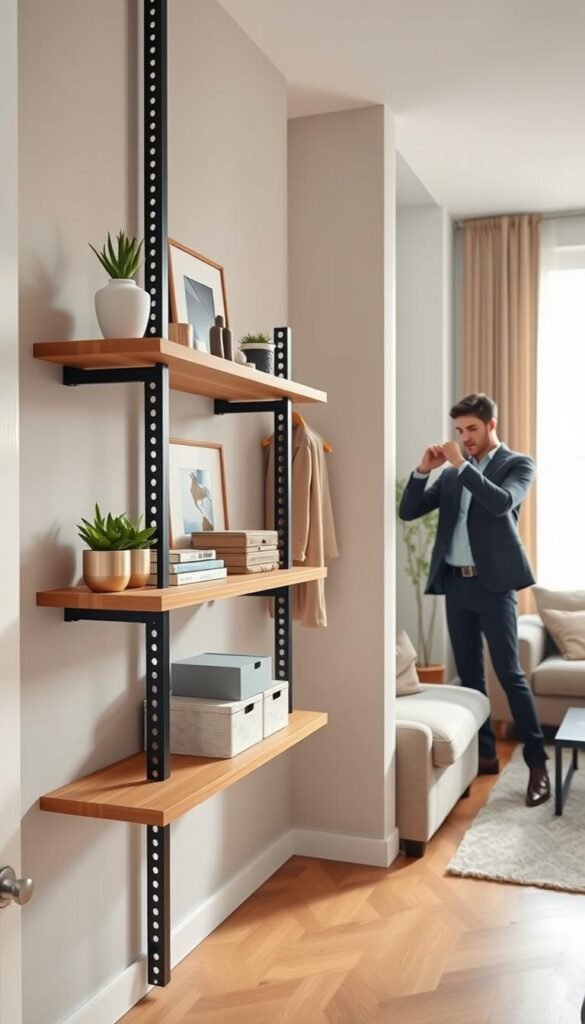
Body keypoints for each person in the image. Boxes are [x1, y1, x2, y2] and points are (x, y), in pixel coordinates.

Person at [399, 393, 550, 807]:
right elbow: (409, 511)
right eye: (460, 431)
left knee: (509, 674)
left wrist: (462, 466)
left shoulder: (517, 464)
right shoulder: (449, 476)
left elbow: (502, 503)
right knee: (469, 678)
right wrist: (422, 471)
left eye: (472, 429)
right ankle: (484, 755)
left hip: (494, 586)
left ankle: (538, 765)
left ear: (491, 426)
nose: (464, 438)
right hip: (456, 584)